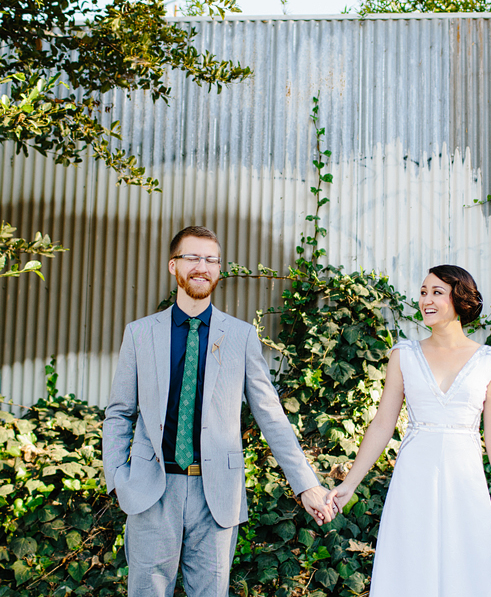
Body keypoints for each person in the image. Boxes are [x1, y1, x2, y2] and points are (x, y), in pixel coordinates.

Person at [102, 226, 334, 597]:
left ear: (219, 269)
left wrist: (306, 484)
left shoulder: (240, 336)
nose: (202, 267)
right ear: (172, 265)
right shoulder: (140, 334)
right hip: (151, 490)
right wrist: (117, 476)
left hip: (217, 497)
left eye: (211, 259)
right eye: (192, 257)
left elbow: (271, 415)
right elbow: (119, 413)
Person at [325, 265, 491, 596]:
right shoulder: (403, 355)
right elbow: (382, 424)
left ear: (460, 299)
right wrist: (350, 484)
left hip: (465, 482)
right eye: (423, 292)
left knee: (468, 569)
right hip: (414, 480)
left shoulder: (490, 362)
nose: (426, 300)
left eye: (437, 292)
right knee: (411, 568)